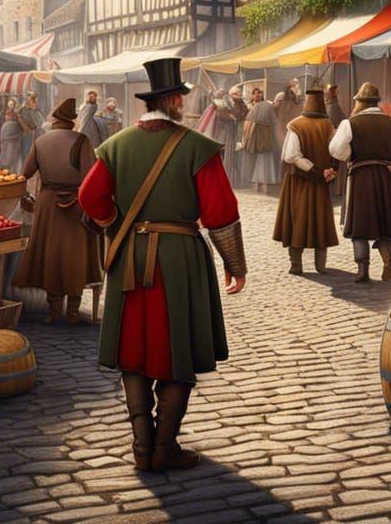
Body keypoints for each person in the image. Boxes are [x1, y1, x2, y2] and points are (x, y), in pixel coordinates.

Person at [77, 57, 246, 474]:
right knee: (179, 346)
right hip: (180, 259)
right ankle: (164, 448)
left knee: (132, 350)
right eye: (181, 100)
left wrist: (119, 226)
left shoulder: (116, 147)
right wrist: (235, 264)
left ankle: (142, 446)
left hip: (129, 259)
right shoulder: (197, 147)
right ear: (172, 101)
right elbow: (221, 211)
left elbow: (89, 196)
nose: (184, 107)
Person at [13, 98, 101, 325]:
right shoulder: (82, 141)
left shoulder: (41, 141)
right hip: (76, 205)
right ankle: (72, 313)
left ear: (54, 121)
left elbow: (26, 173)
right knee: (75, 257)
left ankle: (53, 312)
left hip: (48, 205)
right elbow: (90, 178)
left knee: (51, 257)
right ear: (72, 122)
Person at [329, 82, 391, 283]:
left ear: (360, 102)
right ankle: (388, 264)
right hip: (385, 177)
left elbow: (336, 149)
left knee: (359, 226)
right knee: (385, 225)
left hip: (361, 178)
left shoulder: (351, 123)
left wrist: (351, 155)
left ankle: (362, 270)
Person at [273, 89, 338, 275]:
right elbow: (336, 151)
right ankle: (320, 265)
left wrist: (314, 170)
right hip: (316, 181)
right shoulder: (328, 125)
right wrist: (328, 171)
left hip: (298, 182)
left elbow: (290, 155)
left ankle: (296, 265)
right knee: (320, 221)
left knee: (296, 220)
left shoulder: (295, 125)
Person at [242, 86, 280, 192]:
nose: (257, 95)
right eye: (255, 93)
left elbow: (273, 121)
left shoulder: (267, 105)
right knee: (257, 157)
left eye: (259, 93)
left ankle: (262, 184)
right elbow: (247, 120)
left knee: (264, 156)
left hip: (262, 134)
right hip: (255, 135)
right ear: (252, 95)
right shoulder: (252, 106)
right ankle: (256, 183)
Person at [211, 86, 247, 189]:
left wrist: (239, 106)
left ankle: (231, 180)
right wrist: (231, 117)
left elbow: (242, 115)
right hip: (224, 131)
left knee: (234, 154)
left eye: (239, 94)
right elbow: (222, 114)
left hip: (235, 131)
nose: (239, 96)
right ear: (231, 94)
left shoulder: (240, 103)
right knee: (224, 153)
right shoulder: (223, 102)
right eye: (237, 94)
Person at [273, 78, 304, 151]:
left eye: (297, 83)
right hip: (283, 127)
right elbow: (276, 109)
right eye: (294, 83)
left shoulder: (298, 99)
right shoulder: (282, 97)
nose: (296, 85)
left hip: (291, 128)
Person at [0, 100, 24, 173]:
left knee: (11, 161)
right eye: (9, 104)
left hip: (12, 144)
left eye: (12, 104)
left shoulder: (13, 123)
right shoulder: (7, 124)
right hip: (8, 144)